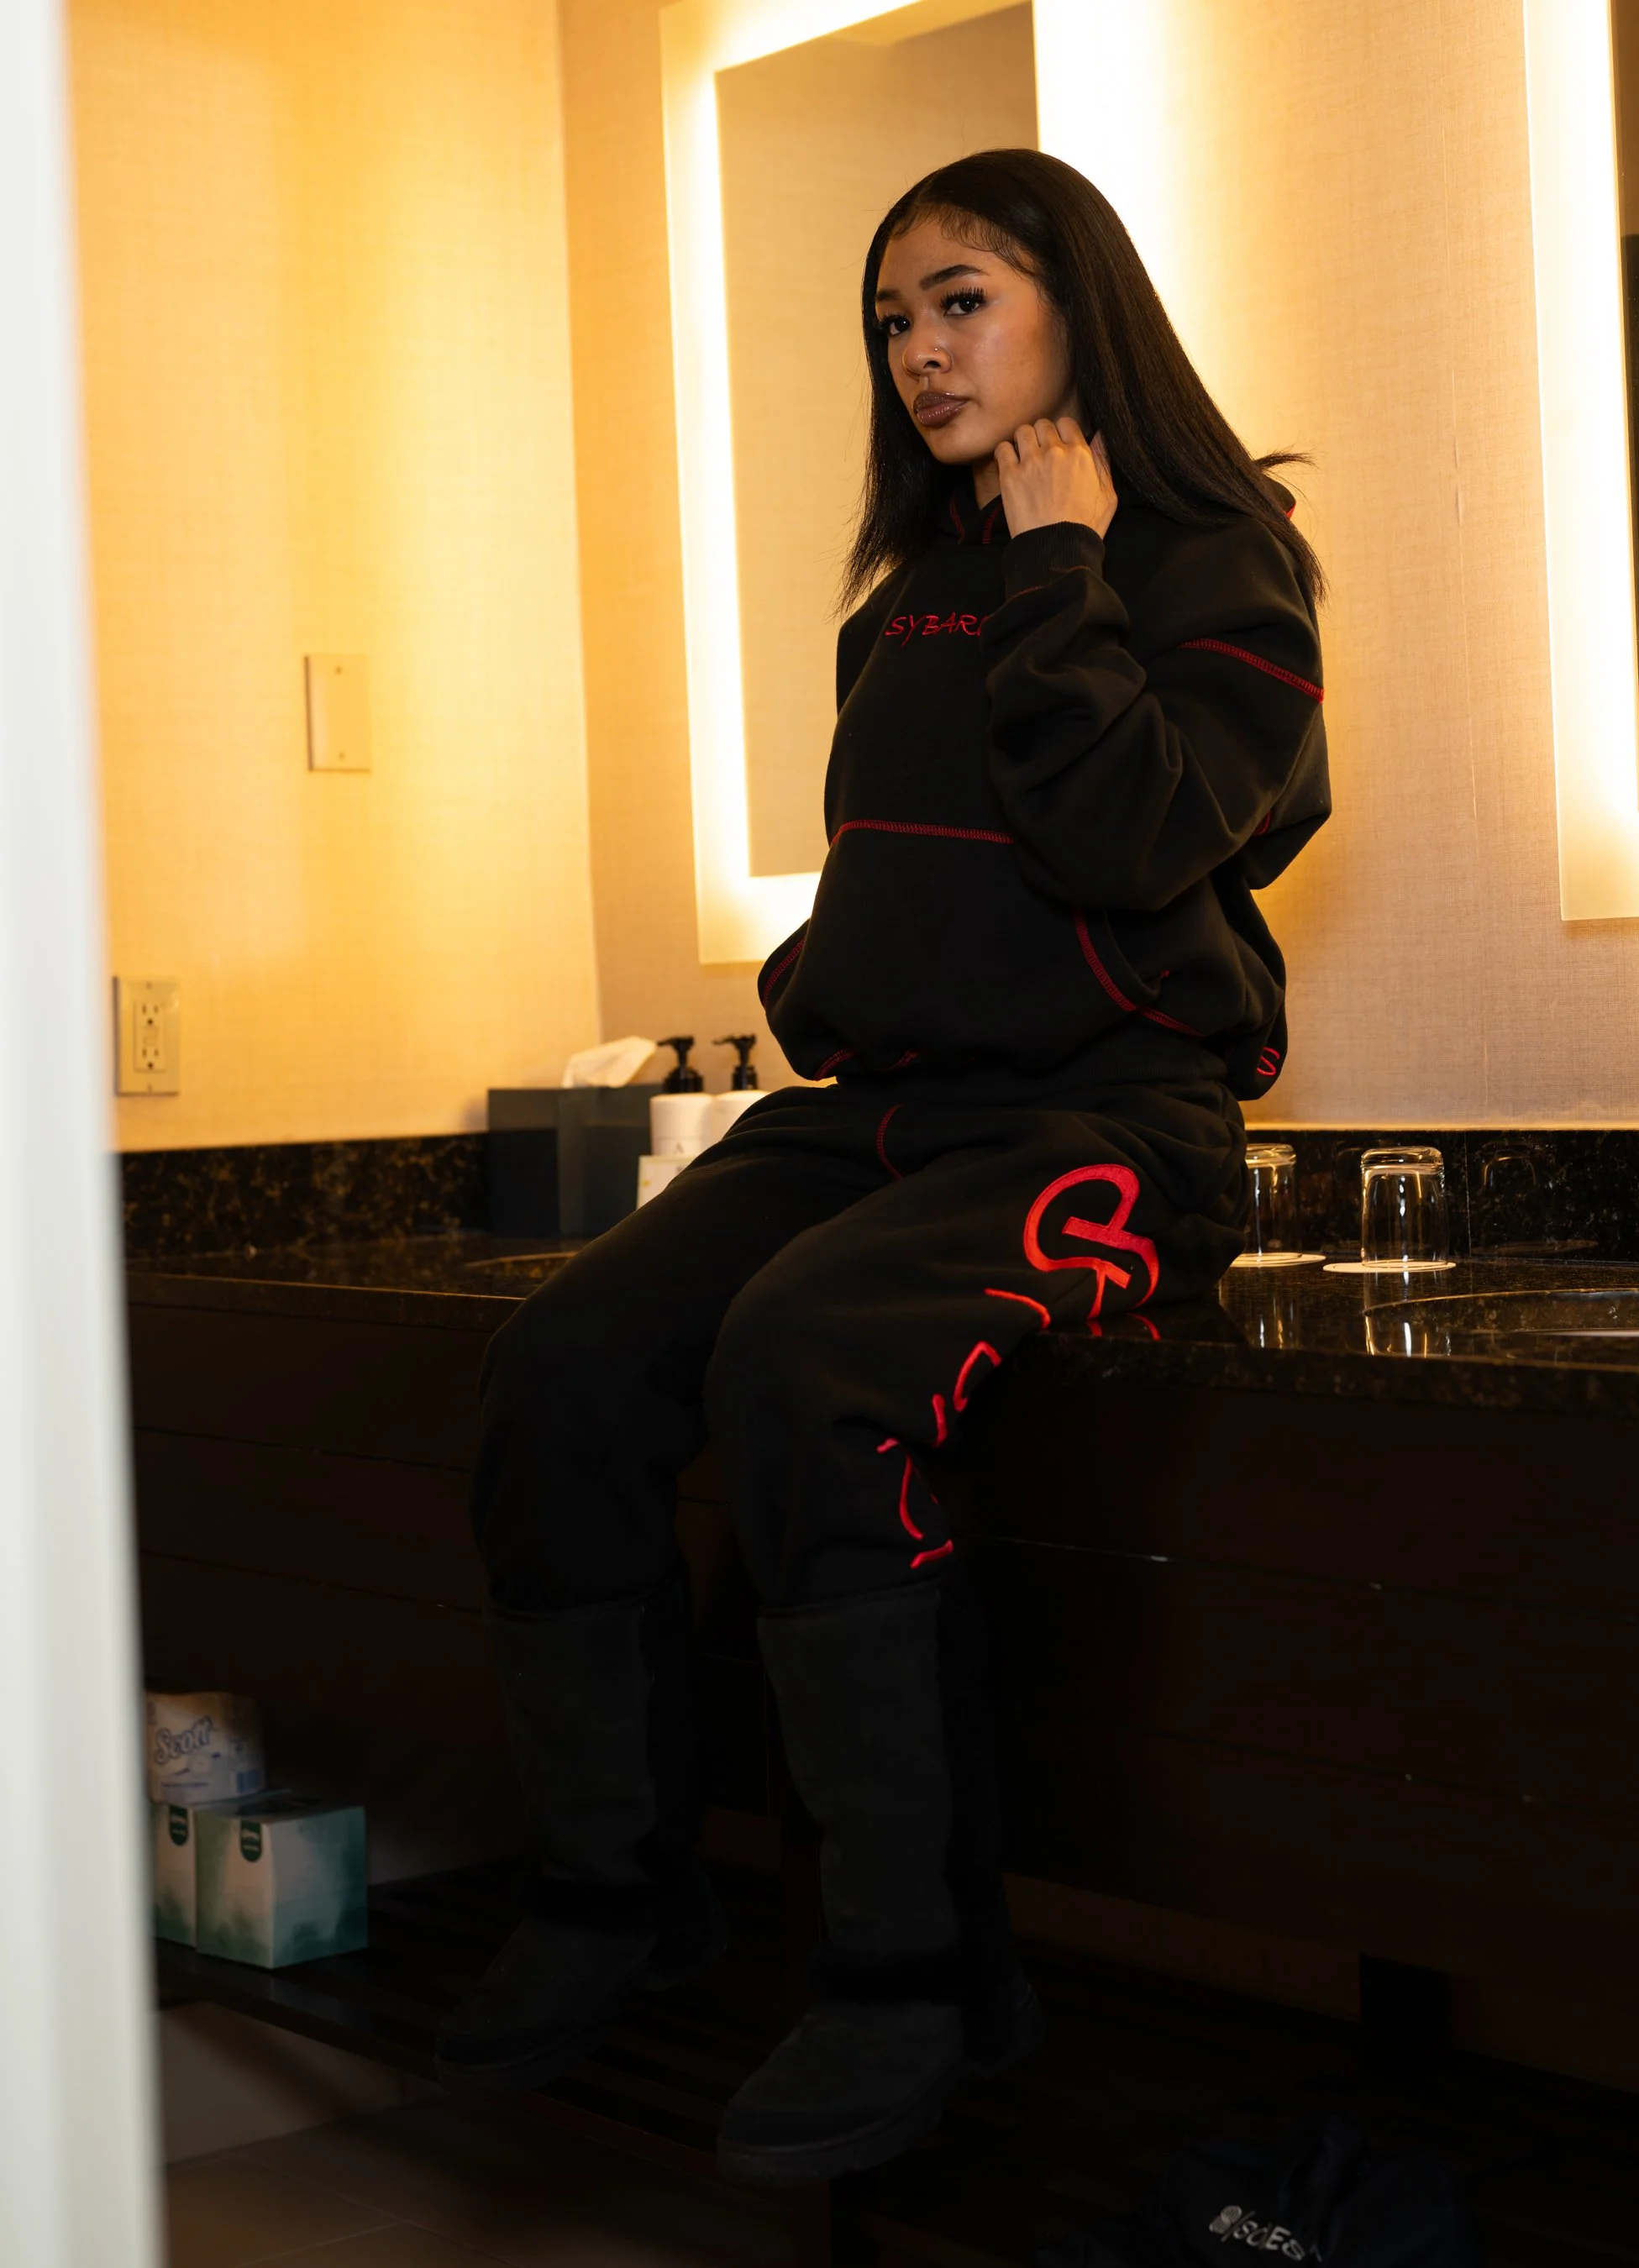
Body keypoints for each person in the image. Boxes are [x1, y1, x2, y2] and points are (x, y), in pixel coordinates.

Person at [433, 147, 1330, 2187]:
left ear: (1076, 309)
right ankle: (610, 1893)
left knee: (808, 1363)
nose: (920, 352)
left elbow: (1124, 843)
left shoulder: (1220, 564)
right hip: (882, 1112)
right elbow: (902, 893)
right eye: (892, 318)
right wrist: (826, 974)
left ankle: (913, 1971)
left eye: (963, 302)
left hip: (1116, 1128)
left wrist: (1064, 565)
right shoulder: (897, 612)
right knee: (562, 1371)